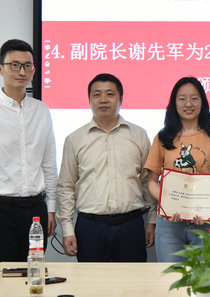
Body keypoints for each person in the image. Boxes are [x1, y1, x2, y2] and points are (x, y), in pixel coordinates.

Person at [0, 39, 57, 273]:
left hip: (36, 210)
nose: (22, 72)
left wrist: (51, 208)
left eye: (27, 66)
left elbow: (48, 165)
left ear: (34, 70)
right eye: (14, 65)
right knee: (0, 280)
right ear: (0, 69)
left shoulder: (42, 110)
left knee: (34, 275)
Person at [56, 74, 156, 262]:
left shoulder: (138, 135)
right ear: (89, 99)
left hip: (131, 226)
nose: (103, 99)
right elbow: (66, 186)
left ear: (121, 99)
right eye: (97, 94)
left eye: (110, 94)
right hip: (90, 227)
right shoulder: (75, 139)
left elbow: (147, 181)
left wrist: (152, 220)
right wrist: (67, 229)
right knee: (91, 280)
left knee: (133, 279)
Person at [145, 77, 210, 262]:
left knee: (203, 277)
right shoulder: (163, 138)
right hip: (169, 222)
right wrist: (169, 204)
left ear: (202, 102)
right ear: (174, 103)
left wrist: (207, 207)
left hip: (203, 221)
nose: (188, 104)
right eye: (182, 99)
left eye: (194, 98)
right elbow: (151, 181)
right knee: (171, 276)